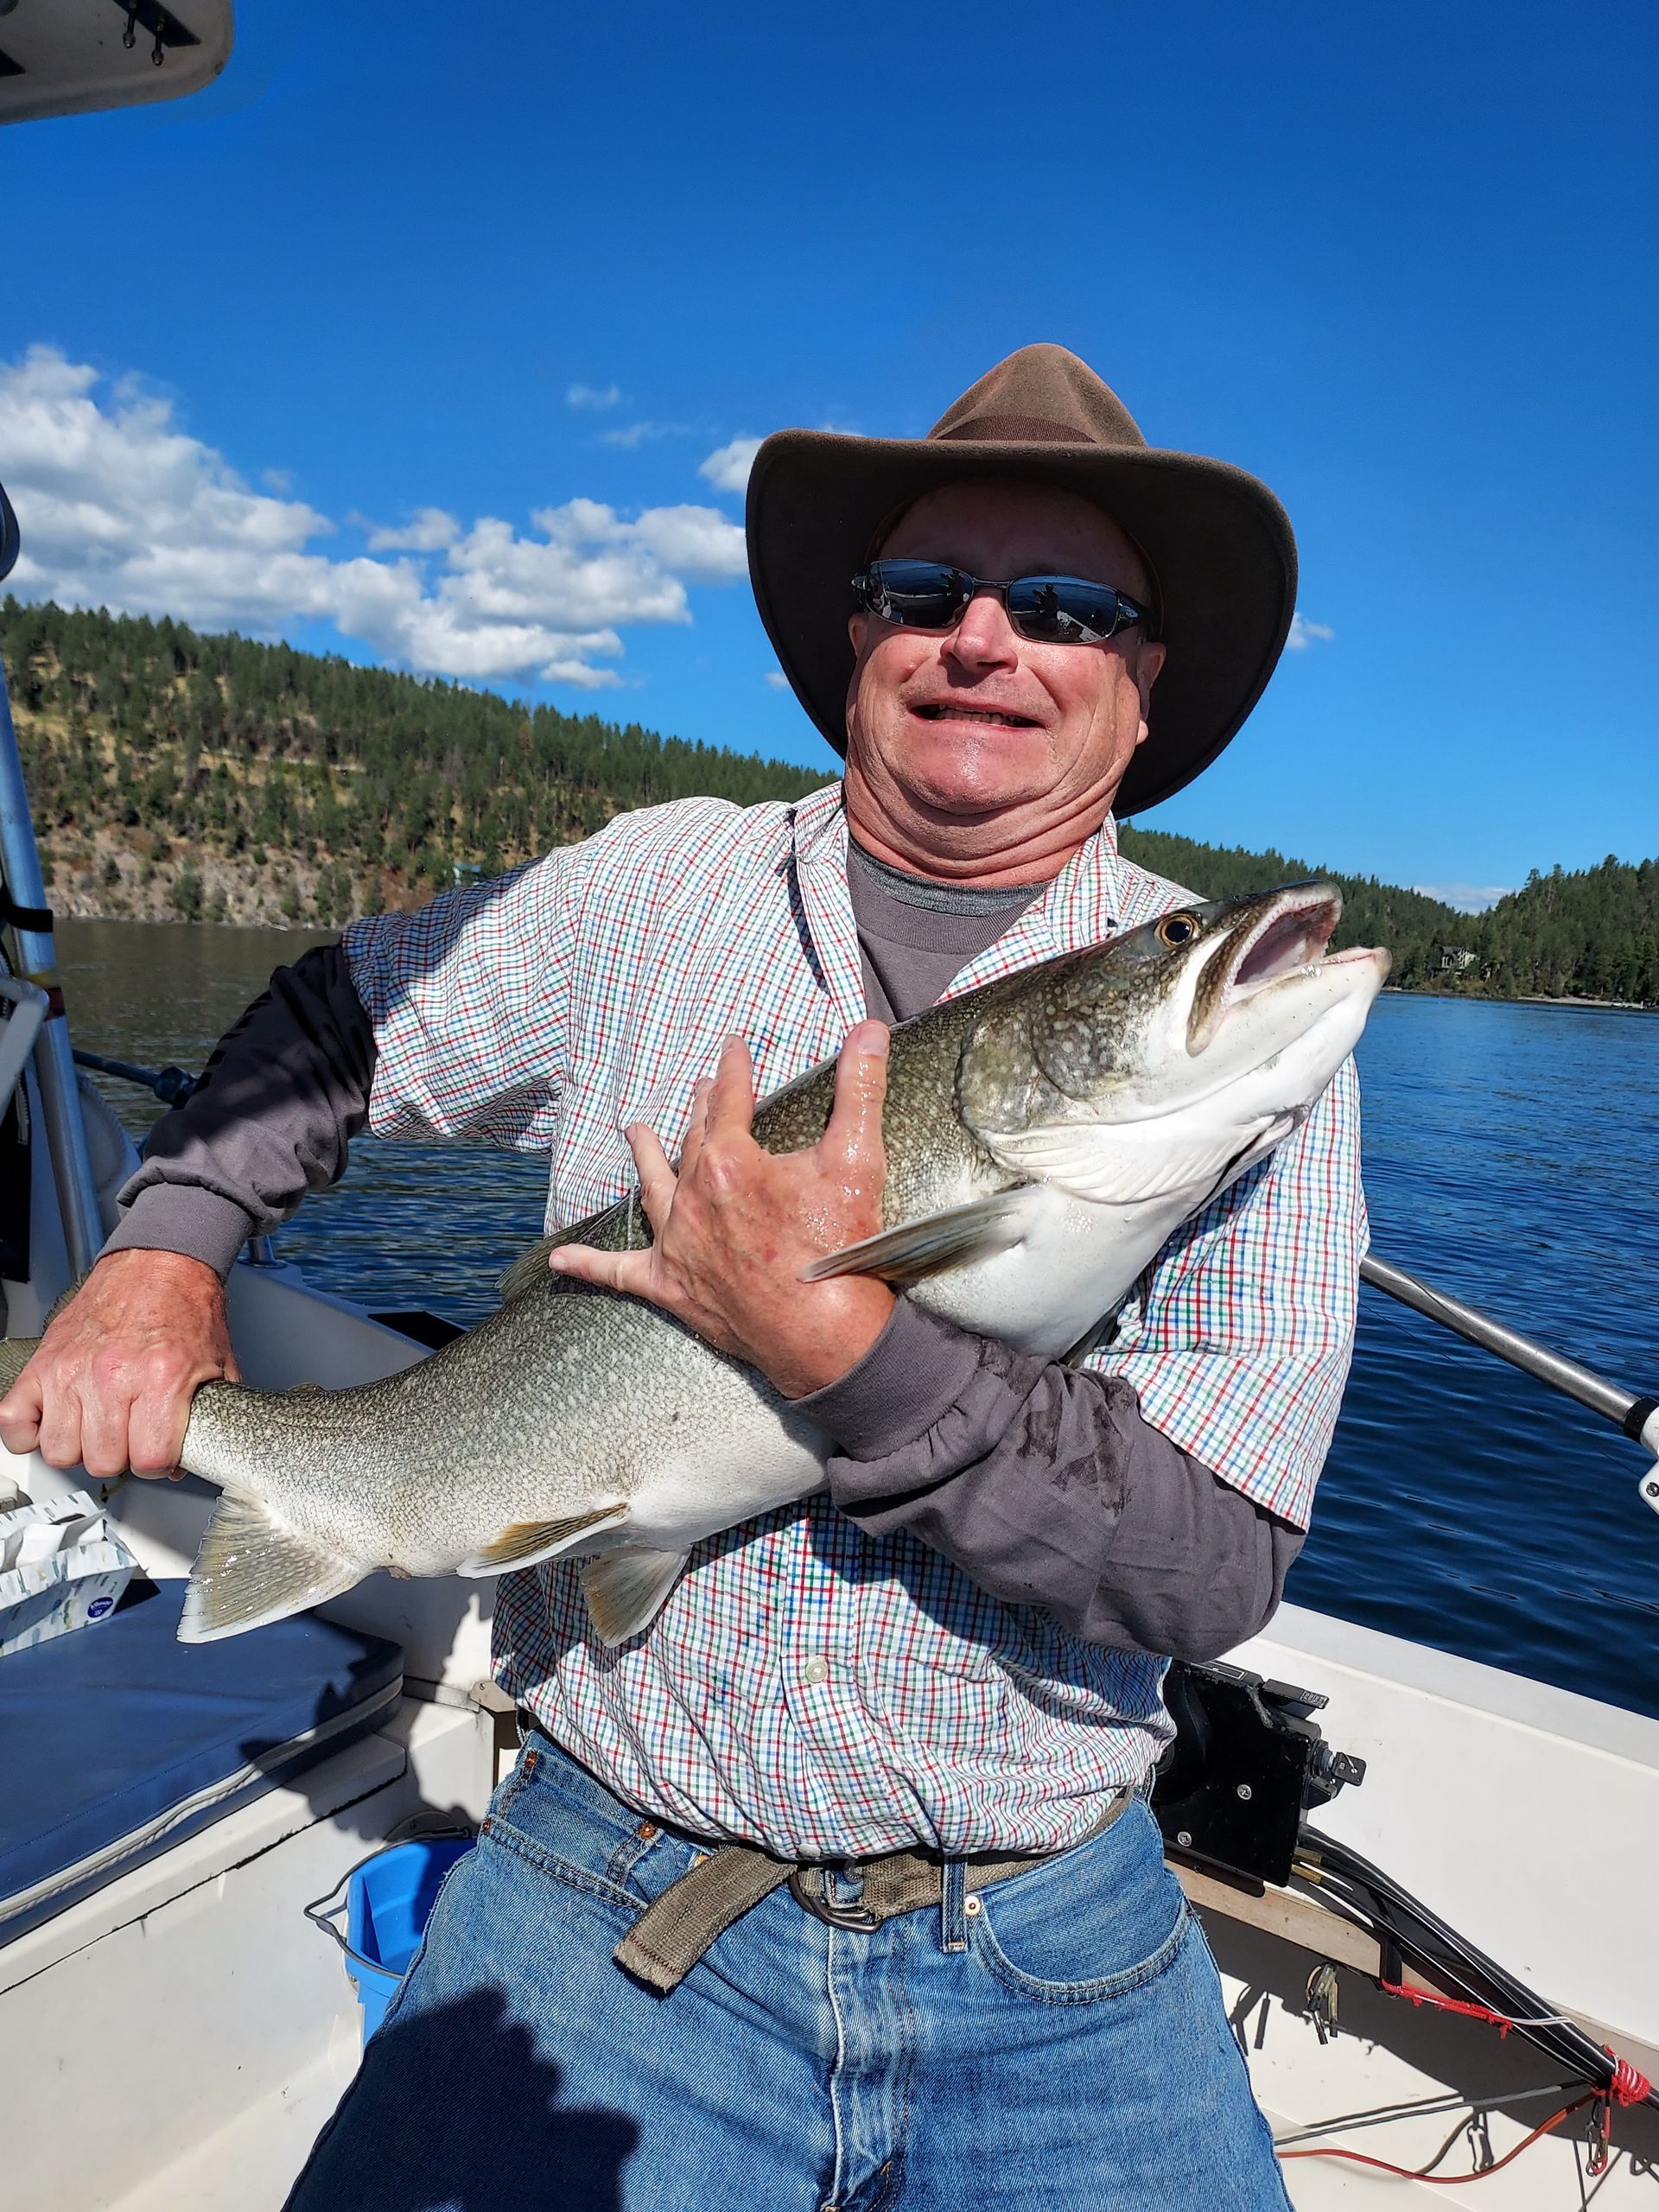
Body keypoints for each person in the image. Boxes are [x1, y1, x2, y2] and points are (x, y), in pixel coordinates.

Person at [0, 344, 1363, 2209]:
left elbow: (1209, 1556)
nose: (985, 637)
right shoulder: (650, 888)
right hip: (605, 1853)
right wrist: (160, 1254)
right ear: (856, 642)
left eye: (1063, 608)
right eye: (924, 592)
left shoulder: (1258, 1055)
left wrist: (844, 1351)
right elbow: (337, 1015)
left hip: (1055, 1927)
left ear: (1138, 694)